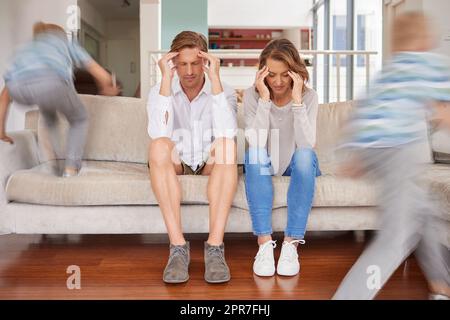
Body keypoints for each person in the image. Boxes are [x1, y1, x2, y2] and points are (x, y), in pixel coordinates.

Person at [333, 11, 450, 300]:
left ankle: (440, 285)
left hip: (371, 148)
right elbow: (444, 110)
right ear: (425, 38)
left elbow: (362, 111)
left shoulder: (389, 70)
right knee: (396, 236)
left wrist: (356, 156)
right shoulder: (431, 63)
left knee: (424, 211)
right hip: (399, 148)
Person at [147, 31, 238, 284]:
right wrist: (165, 80)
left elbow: (227, 133)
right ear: (173, 64)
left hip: (208, 164)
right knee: (157, 146)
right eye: (182, 64)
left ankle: (215, 248)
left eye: (195, 63)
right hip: (179, 162)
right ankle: (177, 248)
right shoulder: (160, 90)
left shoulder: (223, 91)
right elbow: (158, 133)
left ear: (205, 62)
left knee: (227, 146)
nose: (189, 71)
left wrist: (216, 80)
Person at [0, 22, 119, 177]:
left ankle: (54, 161)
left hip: (18, 88)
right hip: (51, 82)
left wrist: (1, 131)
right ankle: (70, 167)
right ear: (61, 35)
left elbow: (3, 98)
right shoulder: (64, 43)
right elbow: (101, 73)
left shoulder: (27, 48)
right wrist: (108, 88)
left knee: (49, 116)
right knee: (79, 119)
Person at [243, 39, 320, 277]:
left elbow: (307, 143)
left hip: (296, 166)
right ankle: (265, 244)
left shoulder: (308, 97)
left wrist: (297, 102)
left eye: (285, 75)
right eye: (272, 75)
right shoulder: (252, 95)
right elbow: (255, 141)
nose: (277, 82)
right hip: (266, 163)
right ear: (262, 73)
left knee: (306, 155)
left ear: (295, 73)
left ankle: (291, 244)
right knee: (253, 153)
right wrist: (265, 100)